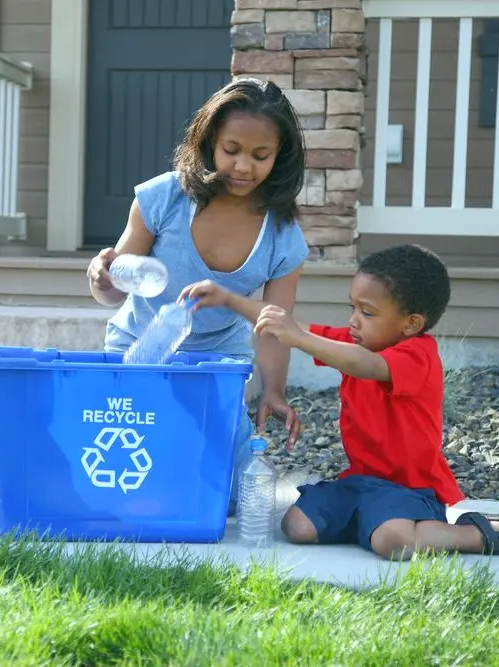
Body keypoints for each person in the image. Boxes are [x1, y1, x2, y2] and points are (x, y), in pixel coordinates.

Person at [213, 243, 499, 559]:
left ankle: (477, 533)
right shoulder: (356, 342)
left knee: (394, 543)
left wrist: (299, 338)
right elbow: (284, 322)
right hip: (360, 483)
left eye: (367, 312)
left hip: (410, 490)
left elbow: (364, 365)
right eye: (353, 307)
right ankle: (370, 524)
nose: (353, 320)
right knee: (297, 526)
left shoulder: (417, 356)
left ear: (411, 324)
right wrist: (227, 298)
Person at [87, 77, 312, 512]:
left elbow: (274, 326)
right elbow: (114, 291)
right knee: (134, 469)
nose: (243, 166)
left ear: (280, 156)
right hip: (139, 350)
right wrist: (102, 278)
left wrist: (274, 390)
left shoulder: (283, 236)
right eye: (232, 150)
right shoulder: (163, 199)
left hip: (217, 362)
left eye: (260, 155)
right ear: (209, 141)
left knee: (230, 499)